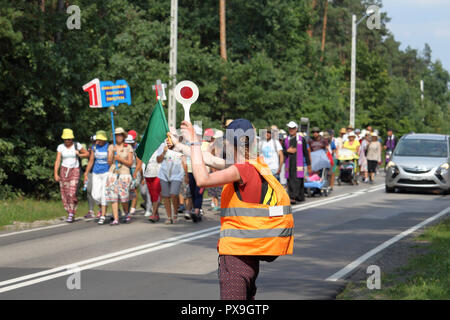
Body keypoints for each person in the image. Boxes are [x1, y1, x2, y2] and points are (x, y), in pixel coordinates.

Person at [179, 118, 294, 300]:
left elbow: (202, 180)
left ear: (230, 144)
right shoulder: (257, 166)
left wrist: (194, 142)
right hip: (251, 256)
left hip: (235, 257)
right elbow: (209, 159)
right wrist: (181, 147)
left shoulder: (240, 169)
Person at [54, 128, 89, 223]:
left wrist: (79, 154)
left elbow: (87, 154)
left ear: (72, 139)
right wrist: (55, 173)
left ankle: (72, 212)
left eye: (69, 139)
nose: (67, 141)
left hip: (75, 170)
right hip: (64, 170)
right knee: (65, 193)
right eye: (65, 139)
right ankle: (70, 211)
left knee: (72, 193)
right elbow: (58, 160)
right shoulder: (60, 147)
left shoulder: (77, 145)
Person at [104, 127, 134, 226]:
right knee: (113, 197)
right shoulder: (111, 147)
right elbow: (109, 162)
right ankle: (116, 218)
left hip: (124, 173)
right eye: (116, 135)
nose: (118, 137)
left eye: (120, 135)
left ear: (123, 136)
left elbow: (130, 163)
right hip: (113, 173)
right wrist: (112, 153)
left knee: (123, 196)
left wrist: (119, 159)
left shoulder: (128, 147)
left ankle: (126, 213)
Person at [84, 130, 110, 224]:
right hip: (96, 172)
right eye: (97, 139)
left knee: (103, 195)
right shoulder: (95, 147)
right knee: (95, 195)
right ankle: (102, 208)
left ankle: (102, 215)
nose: (98, 141)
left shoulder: (109, 147)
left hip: (106, 172)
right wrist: (86, 172)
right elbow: (91, 161)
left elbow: (111, 160)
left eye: (100, 139)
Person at [282, 121, 312, 204]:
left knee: (298, 180)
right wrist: (287, 151)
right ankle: (295, 196)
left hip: (298, 163)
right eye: (290, 128)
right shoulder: (286, 140)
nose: (291, 130)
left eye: (293, 128)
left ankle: (295, 197)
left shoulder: (301, 139)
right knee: (290, 180)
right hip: (289, 163)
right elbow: (282, 151)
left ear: (296, 129)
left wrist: (309, 165)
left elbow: (306, 152)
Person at [156, 141, 185, 224]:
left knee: (174, 194)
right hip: (164, 175)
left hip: (176, 175)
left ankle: (175, 214)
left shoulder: (178, 147)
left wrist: (185, 175)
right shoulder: (161, 147)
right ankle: (169, 217)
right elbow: (158, 160)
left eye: (170, 141)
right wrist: (164, 152)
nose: (169, 143)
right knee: (166, 196)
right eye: (167, 141)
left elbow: (183, 161)